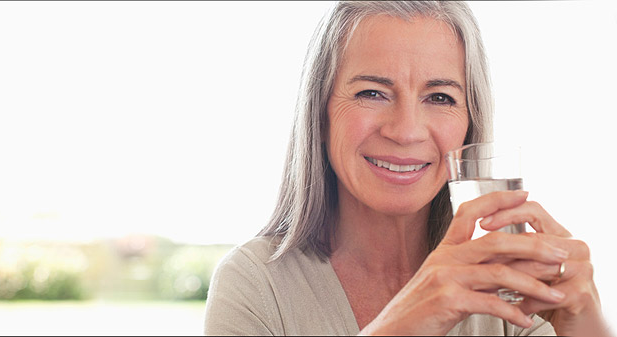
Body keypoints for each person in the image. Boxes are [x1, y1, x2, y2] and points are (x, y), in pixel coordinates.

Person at [204, 1, 609, 336]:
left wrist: (588, 326)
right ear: (320, 116)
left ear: (470, 123)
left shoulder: (508, 281)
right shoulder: (254, 284)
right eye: (372, 92)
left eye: (440, 97)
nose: (406, 131)